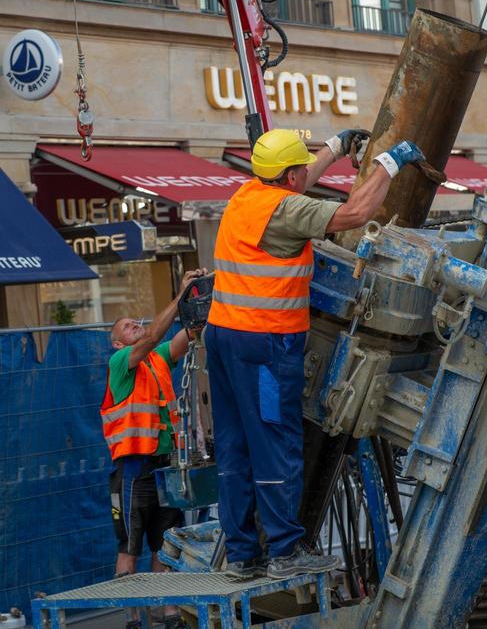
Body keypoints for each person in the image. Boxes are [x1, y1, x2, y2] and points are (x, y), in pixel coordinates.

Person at [205, 128, 425, 581]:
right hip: (264, 345)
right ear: (288, 176)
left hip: (222, 337)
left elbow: (296, 190)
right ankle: (285, 551)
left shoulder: (248, 195)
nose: (307, 172)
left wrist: (336, 146)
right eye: (302, 167)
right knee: (274, 442)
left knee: (234, 447)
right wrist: (390, 161)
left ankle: (244, 556)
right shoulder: (285, 212)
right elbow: (357, 212)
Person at [101, 268, 206, 629]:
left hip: (162, 470)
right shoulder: (119, 363)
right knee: (128, 549)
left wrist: (196, 296)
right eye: (128, 327)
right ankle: (133, 620)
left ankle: (170, 616)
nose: (136, 327)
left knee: (164, 546)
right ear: (117, 344)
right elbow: (153, 334)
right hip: (132, 474)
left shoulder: (157, 358)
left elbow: (188, 335)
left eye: (136, 323)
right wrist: (179, 297)